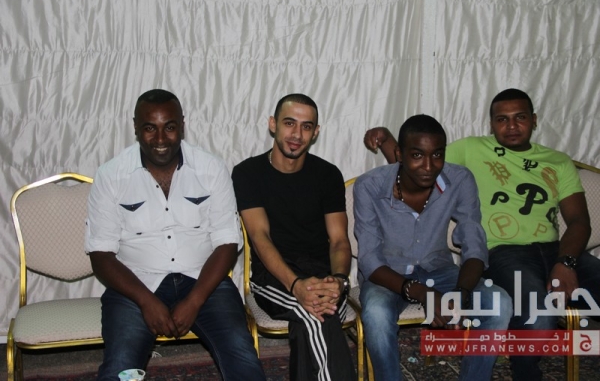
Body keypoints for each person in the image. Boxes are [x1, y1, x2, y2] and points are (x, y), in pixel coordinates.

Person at [364, 89, 600, 381]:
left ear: (534, 120)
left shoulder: (556, 161)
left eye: (520, 117)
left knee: (502, 303)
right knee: (538, 316)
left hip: (549, 250)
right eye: (502, 119)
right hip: (502, 253)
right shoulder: (471, 149)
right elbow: (416, 159)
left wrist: (566, 262)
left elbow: (577, 221)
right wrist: (387, 139)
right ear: (491, 124)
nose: (511, 126)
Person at [85, 89, 265, 381]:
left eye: (169, 127)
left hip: (204, 282)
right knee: (121, 367)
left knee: (242, 357)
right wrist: (146, 301)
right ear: (135, 127)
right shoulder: (111, 175)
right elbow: (101, 255)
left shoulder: (210, 169)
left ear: (182, 125)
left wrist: (195, 301)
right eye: (149, 128)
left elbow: (227, 243)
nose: (160, 139)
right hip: (135, 286)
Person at [355, 114, 511, 381]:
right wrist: (423, 293)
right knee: (377, 314)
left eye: (437, 154)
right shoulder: (370, 185)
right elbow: (369, 259)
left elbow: (474, 245)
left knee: (500, 303)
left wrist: (460, 294)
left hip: (439, 270)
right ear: (399, 154)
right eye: (417, 155)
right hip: (387, 275)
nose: (429, 166)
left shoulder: (459, 179)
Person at [231, 93, 356, 381]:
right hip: (273, 278)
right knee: (317, 315)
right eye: (289, 123)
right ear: (272, 124)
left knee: (313, 319)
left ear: (316, 132)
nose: (297, 134)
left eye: (306, 126)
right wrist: (296, 285)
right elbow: (260, 238)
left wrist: (339, 280)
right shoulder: (248, 173)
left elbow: (339, 240)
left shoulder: (328, 174)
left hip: (322, 275)